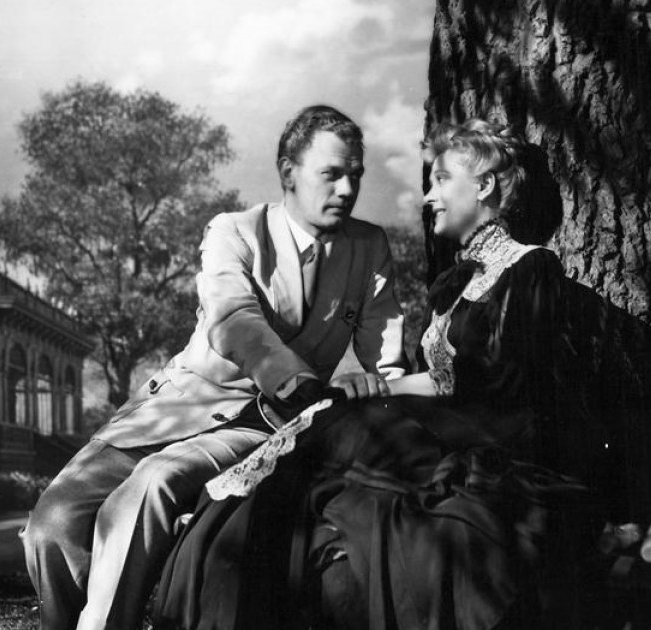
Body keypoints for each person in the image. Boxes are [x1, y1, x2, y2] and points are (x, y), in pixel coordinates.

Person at [153, 119, 603, 630]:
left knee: (345, 432)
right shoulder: (456, 284)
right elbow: (438, 379)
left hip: (486, 434)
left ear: (484, 186)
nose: (428, 196)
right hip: (445, 420)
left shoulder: (530, 267)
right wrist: (364, 389)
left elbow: (507, 390)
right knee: (330, 418)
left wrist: (375, 402)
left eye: (441, 179)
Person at [21, 105, 408, 630]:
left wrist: (370, 388)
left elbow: (386, 361)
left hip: (262, 421)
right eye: (332, 174)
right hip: (177, 405)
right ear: (288, 172)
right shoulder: (235, 231)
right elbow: (235, 320)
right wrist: (301, 383)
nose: (347, 189)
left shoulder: (368, 246)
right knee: (51, 524)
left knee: (151, 487)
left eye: (355, 176)